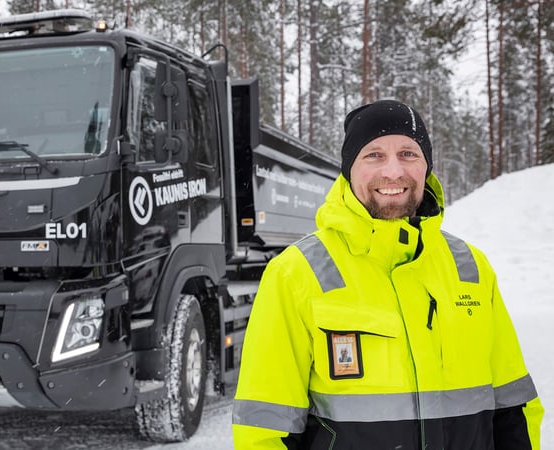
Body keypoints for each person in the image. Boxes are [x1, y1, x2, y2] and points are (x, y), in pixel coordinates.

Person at [232, 99, 544, 449]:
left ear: (427, 166)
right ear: (349, 169)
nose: (393, 171)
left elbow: (514, 406)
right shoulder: (296, 273)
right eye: (374, 155)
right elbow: (263, 428)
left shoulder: (470, 267)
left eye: (409, 154)